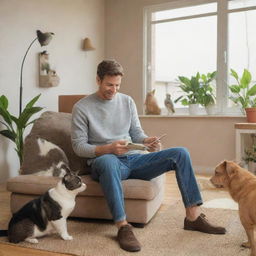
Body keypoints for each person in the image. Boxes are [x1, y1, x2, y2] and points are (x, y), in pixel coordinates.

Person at [71, 60, 226, 252]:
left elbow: (136, 133)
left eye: (117, 85)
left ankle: (193, 217)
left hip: (134, 158)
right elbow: (78, 147)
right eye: (109, 85)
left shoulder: (127, 101)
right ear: (98, 80)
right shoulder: (82, 107)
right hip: (106, 162)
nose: (114, 89)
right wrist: (108, 149)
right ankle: (123, 226)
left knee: (180, 153)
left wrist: (147, 142)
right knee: (109, 162)